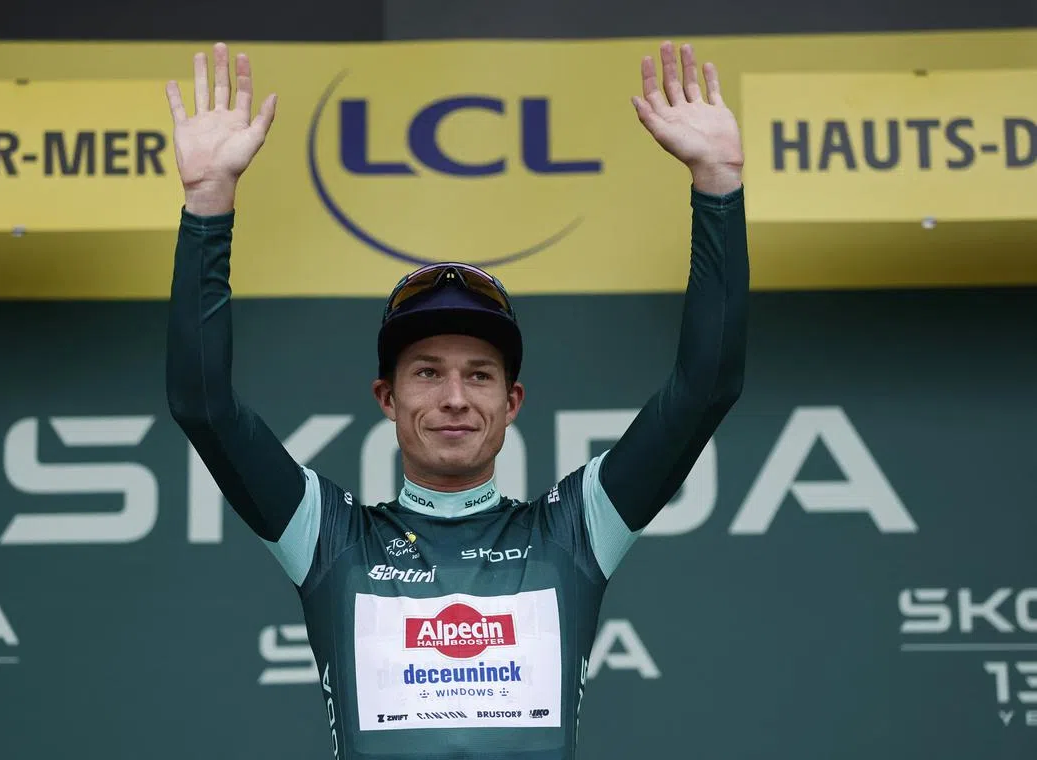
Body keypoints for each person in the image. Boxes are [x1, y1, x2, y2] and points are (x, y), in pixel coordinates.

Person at [165, 39, 747, 760]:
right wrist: (208, 205)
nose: (453, 398)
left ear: (512, 402)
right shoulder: (332, 541)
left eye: (479, 375)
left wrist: (718, 186)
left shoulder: (569, 534)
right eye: (426, 372)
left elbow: (704, 389)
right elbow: (202, 404)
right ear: (386, 396)